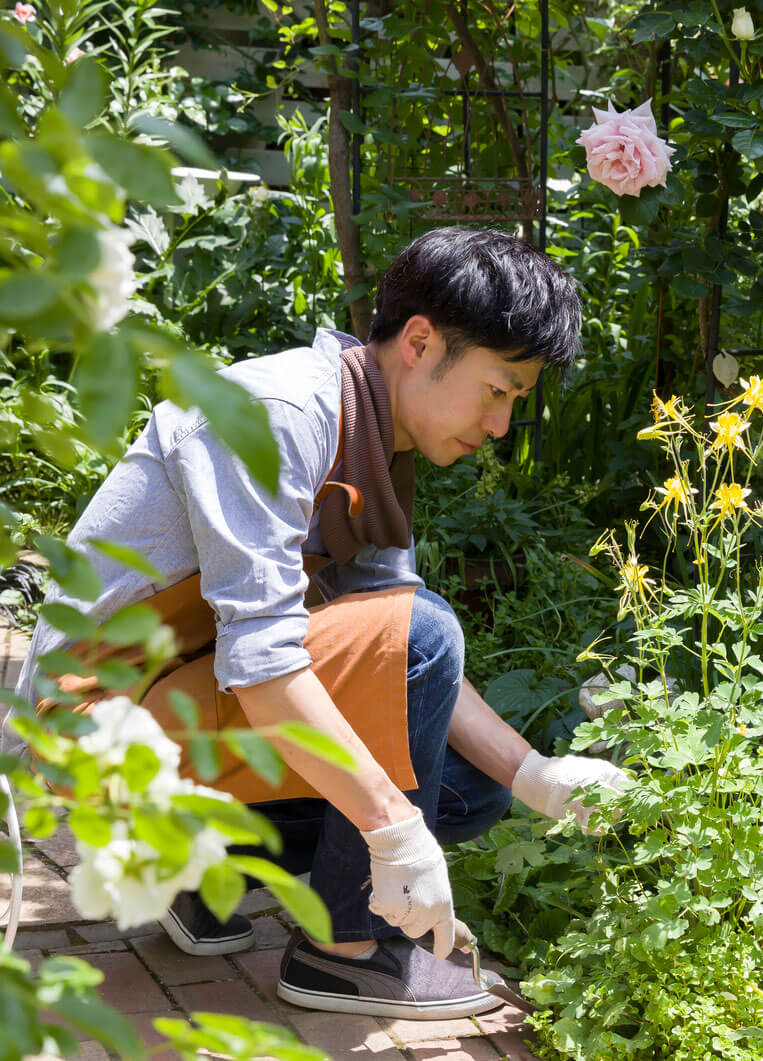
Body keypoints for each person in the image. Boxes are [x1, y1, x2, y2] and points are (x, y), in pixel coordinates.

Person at [9, 226, 626, 1019]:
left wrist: (534, 773)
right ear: (420, 341)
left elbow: (389, 641)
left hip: (178, 696)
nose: (501, 425)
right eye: (497, 390)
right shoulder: (273, 415)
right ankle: (346, 950)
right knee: (423, 675)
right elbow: (271, 664)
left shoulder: (376, 439)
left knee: (472, 790)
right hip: (91, 720)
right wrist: (395, 831)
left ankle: (193, 864)